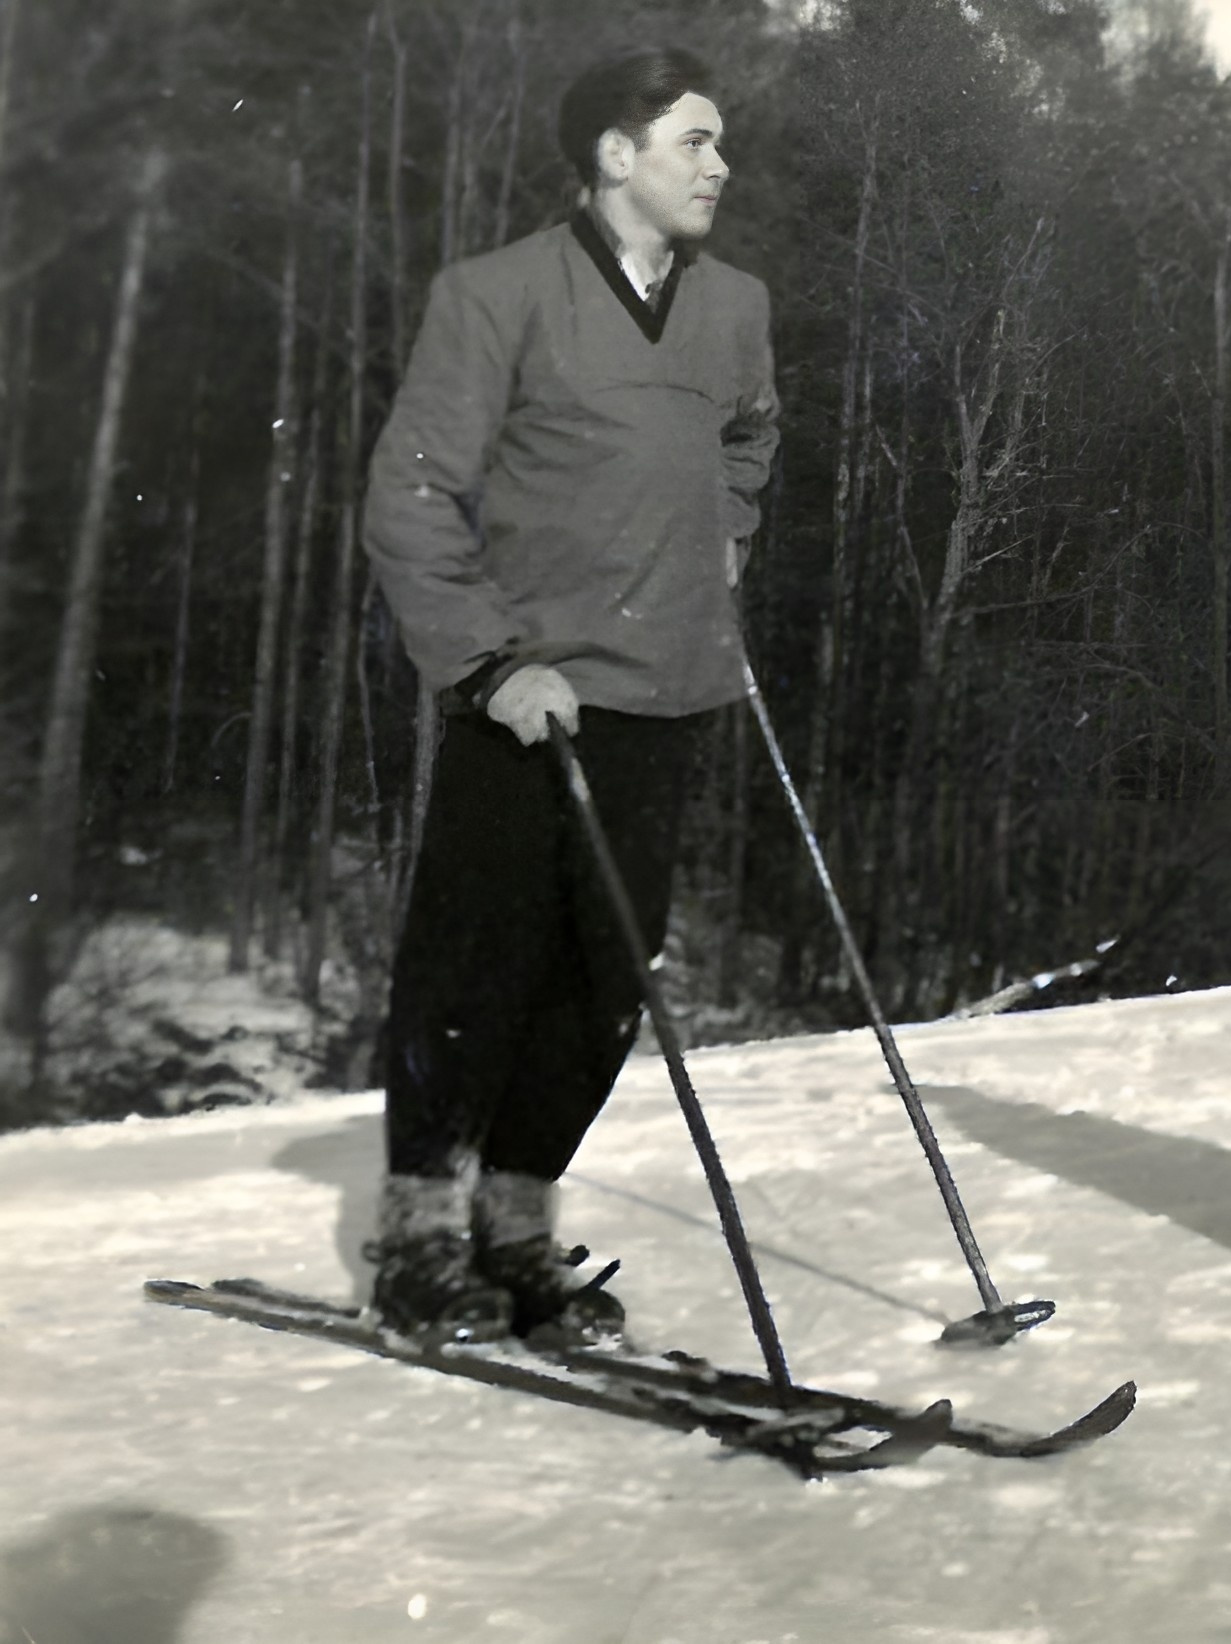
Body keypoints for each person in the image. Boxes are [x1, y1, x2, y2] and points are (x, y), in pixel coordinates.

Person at [358, 47, 778, 1344]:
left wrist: (724, 540)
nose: (719, 167)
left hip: (664, 694)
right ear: (614, 153)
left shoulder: (734, 308)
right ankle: (421, 1241)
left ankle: (517, 1235)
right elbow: (410, 498)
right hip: (524, 698)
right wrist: (488, 661)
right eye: (694, 142)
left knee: (604, 979)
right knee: (472, 965)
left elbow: (750, 437)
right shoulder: (496, 297)